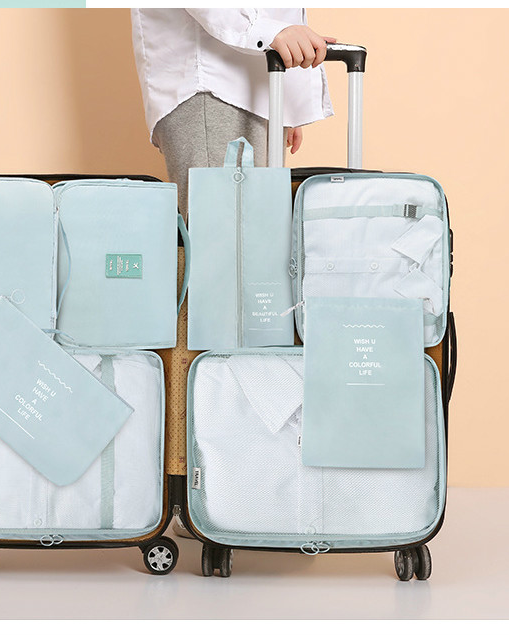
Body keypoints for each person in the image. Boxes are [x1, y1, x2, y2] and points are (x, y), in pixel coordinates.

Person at [131, 9, 335, 540]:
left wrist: (288, 99)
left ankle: (243, 483)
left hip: (251, 83)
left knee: (251, 291)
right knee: (218, 292)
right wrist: (271, 35)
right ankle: (198, 488)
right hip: (211, 84)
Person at [130, 8, 335, 220]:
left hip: (265, 82)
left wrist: (288, 108)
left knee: (260, 227)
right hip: (211, 81)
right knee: (218, 228)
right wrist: (268, 30)